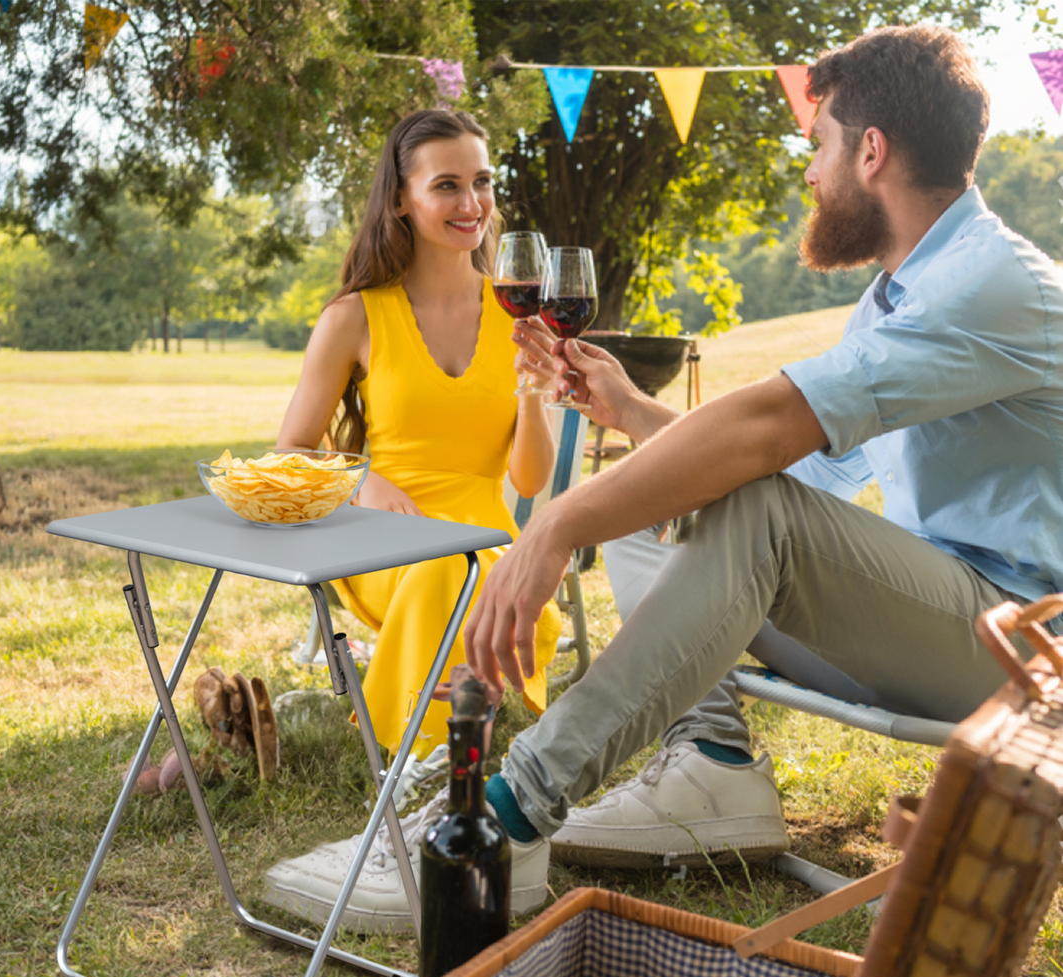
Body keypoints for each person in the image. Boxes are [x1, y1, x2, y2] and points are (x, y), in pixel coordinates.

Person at [270, 24, 1063, 929]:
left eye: (820, 145)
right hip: (915, 624)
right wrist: (634, 416)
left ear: (871, 152)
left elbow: (766, 439)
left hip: (1015, 647)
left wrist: (557, 524)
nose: (810, 172)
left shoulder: (990, 283)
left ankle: (507, 817)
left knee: (735, 500)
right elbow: (815, 470)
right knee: (667, 500)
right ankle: (714, 769)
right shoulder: (900, 293)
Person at [263, 108, 561, 929]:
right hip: (384, 543)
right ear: (400, 200)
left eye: (482, 182)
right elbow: (292, 451)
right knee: (441, 568)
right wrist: (361, 480)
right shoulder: (356, 316)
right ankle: (428, 776)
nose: (473, 203)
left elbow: (528, 477)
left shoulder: (517, 315)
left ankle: (433, 781)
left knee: (465, 566)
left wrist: (537, 386)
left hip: (483, 535)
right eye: (448, 185)